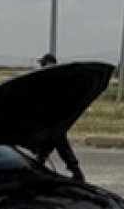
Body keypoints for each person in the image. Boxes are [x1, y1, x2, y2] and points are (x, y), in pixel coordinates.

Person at [31, 53, 86, 182]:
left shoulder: (57, 81)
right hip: (51, 122)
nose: (41, 66)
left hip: (55, 122)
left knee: (57, 144)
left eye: (43, 64)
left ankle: (76, 173)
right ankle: (75, 172)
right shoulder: (47, 80)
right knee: (51, 145)